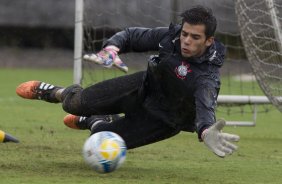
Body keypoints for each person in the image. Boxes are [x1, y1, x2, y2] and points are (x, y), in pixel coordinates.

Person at [16, 6, 239, 158]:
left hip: (164, 120)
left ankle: (96, 120)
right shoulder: (171, 37)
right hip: (141, 87)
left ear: (209, 41)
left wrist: (206, 131)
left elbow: (205, 108)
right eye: (185, 34)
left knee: (99, 143)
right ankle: (52, 91)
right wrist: (112, 48)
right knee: (73, 104)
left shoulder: (207, 77)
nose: (186, 41)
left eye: (195, 37)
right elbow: (132, 35)